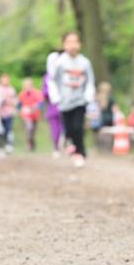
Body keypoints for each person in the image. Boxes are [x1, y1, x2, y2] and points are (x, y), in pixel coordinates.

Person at [46, 31, 95, 167]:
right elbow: (52, 81)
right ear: (64, 45)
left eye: (75, 42)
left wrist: (88, 97)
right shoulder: (59, 63)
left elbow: (90, 81)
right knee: (68, 129)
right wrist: (55, 97)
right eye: (69, 42)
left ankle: (80, 152)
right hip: (64, 102)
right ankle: (72, 146)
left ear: (80, 44)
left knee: (78, 127)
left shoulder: (85, 63)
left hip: (80, 101)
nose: (72, 45)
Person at [42, 70, 64, 158]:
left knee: (61, 128)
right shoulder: (47, 77)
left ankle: (59, 146)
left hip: (63, 106)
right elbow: (45, 93)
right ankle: (56, 147)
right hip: (54, 107)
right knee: (55, 128)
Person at [18, 77, 44, 151]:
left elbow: (41, 103)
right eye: (25, 85)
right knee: (28, 128)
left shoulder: (37, 93)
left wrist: (34, 107)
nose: (27, 86)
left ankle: (32, 143)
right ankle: (28, 144)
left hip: (34, 115)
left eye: (28, 84)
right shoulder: (21, 94)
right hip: (25, 116)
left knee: (33, 131)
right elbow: (19, 105)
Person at [0, 73, 17, 154]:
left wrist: (10, 102)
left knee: (8, 129)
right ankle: (0, 146)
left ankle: (8, 145)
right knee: (0, 131)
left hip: (9, 113)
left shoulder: (11, 89)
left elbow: (15, 101)